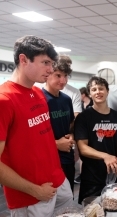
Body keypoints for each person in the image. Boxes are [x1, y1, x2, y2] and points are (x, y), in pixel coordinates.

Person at [0, 35, 72, 216]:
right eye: (45, 63)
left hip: (58, 182)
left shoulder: (38, 93)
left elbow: (41, 140)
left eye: (52, 63)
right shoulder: (4, 100)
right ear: (23, 59)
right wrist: (34, 190)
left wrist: (59, 175)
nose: (50, 69)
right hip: (31, 195)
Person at [74, 76, 117, 204]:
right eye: (94, 89)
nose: (98, 92)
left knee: (114, 207)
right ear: (90, 94)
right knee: (91, 210)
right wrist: (105, 156)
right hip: (92, 175)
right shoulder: (84, 117)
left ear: (107, 91)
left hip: (113, 173)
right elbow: (82, 148)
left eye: (101, 88)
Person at [42, 55, 76, 194]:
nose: (63, 80)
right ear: (48, 74)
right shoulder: (40, 99)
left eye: (65, 76)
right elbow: (32, 136)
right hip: (49, 159)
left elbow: (71, 124)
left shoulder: (66, 99)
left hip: (67, 157)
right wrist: (56, 143)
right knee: (52, 200)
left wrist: (72, 135)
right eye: (58, 75)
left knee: (68, 198)